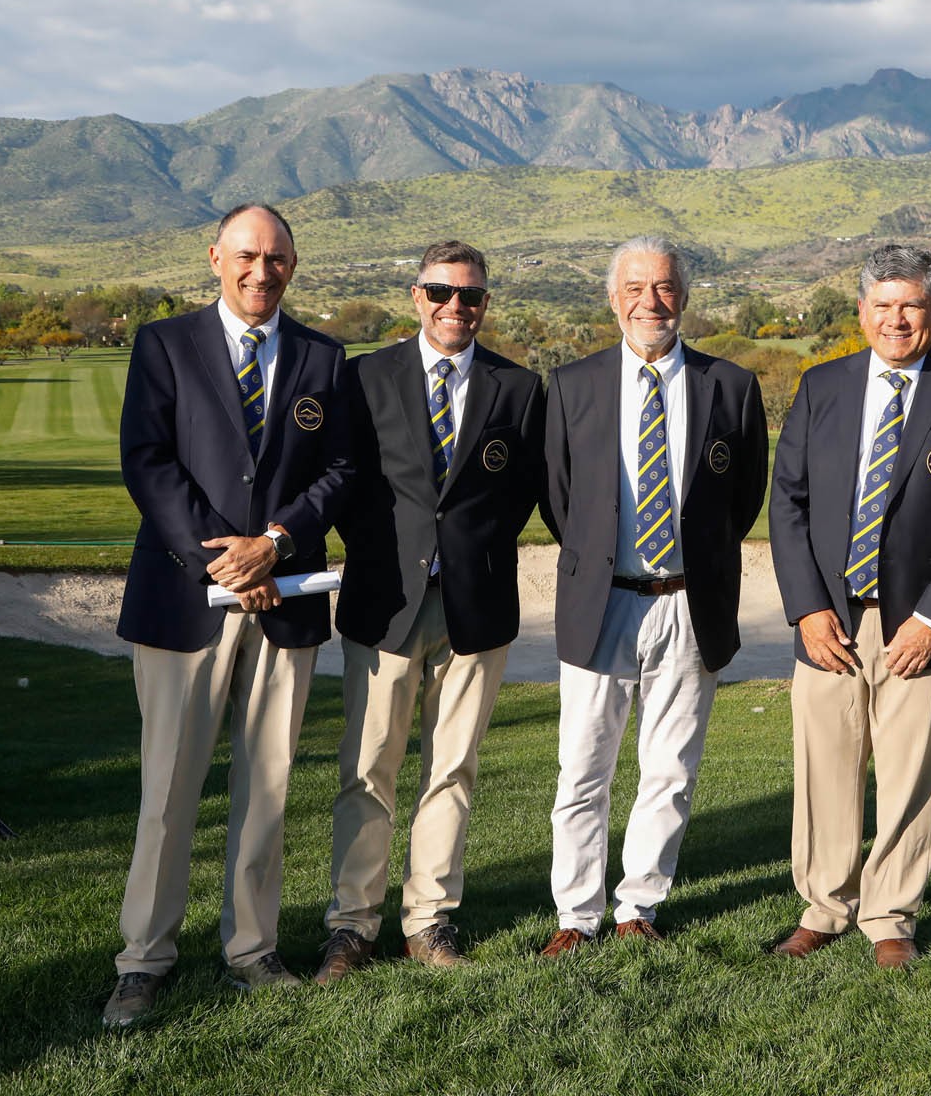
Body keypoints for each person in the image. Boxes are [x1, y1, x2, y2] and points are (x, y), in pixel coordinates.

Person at [104, 204, 354, 1027]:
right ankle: (144, 960)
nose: (261, 271)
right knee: (167, 791)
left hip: (284, 600)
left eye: (276, 258)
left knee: (268, 789)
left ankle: (253, 948)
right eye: (246, 255)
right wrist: (224, 559)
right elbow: (147, 460)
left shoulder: (323, 356)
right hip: (185, 600)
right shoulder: (165, 344)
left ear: (294, 265)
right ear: (215, 257)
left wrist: (274, 545)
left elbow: (342, 468)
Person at [767, 243, 931, 970]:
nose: (896, 320)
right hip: (831, 621)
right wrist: (808, 609)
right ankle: (824, 907)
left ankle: (890, 915)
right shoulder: (822, 386)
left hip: (919, 625)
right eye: (883, 305)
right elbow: (788, 504)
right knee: (825, 770)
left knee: (909, 778)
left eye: (911, 306)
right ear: (861, 311)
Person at [313, 241, 546, 984]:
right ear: (417, 296)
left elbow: (522, 492)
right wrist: (386, 553)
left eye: (470, 295)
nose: (456, 307)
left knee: (453, 768)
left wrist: (469, 552)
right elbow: (343, 483)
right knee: (367, 768)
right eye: (441, 292)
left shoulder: (519, 388)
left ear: (485, 303)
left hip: (476, 605)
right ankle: (352, 924)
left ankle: (429, 919)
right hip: (384, 600)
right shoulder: (365, 377)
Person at [538, 236, 767, 954]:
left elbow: (743, 498)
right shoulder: (572, 385)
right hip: (601, 600)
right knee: (584, 768)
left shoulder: (730, 386)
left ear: (684, 297)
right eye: (635, 288)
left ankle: (639, 905)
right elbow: (560, 498)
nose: (651, 301)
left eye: (664, 287)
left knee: (669, 769)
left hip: (688, 602)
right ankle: (576, 915)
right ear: (613, 298)